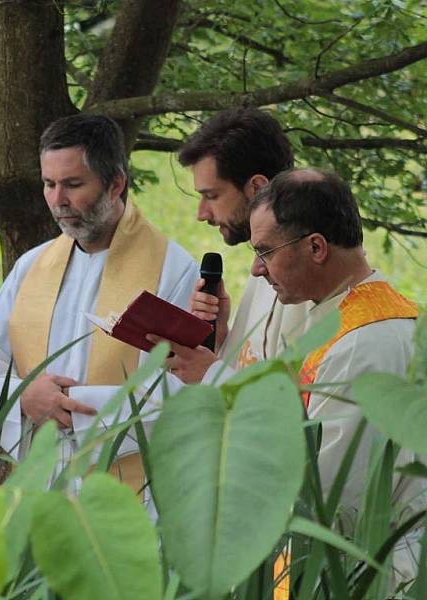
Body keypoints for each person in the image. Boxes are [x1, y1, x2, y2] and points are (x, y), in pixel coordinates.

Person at [164, 169, 423, 585]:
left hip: (368, 577)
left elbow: (328, 500)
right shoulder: (361, 316)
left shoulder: (361, 343)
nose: (255, 270)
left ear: (316, 247)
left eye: (264, 251)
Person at [0, 114, 199, 494]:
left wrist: (76, 409)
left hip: (130, 492)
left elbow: (183, 386)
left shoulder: (172, 269)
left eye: (73, 184)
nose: (58, 201)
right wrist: (23, 397)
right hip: (38, 485)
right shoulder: (31, 267)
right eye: (49, 184)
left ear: (116, 184)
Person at [177, 107, 305, 377]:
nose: (202, 215)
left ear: (258, 187)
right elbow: (249, 367)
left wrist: (209, 373)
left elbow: (291, 407)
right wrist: (222, 336)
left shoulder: (307, 276)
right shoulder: (263, 262)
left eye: (211, 196)